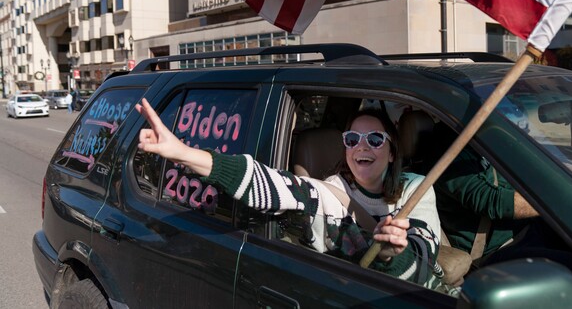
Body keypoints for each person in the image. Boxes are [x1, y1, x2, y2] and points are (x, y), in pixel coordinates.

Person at [136, 100, 442, 288]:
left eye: (375, 139)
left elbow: (425, 258)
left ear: (392, 152)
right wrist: (183, 153)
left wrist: (394, 255)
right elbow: (268, 183)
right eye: (352, 139)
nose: (362, 146)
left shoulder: (416, 189)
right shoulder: (327, 196)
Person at [435, 148, 572, 269]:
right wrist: (558, 201)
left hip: (531, 227)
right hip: (500, 250)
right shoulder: (449, 152)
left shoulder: (486, 141)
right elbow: (492, 201)